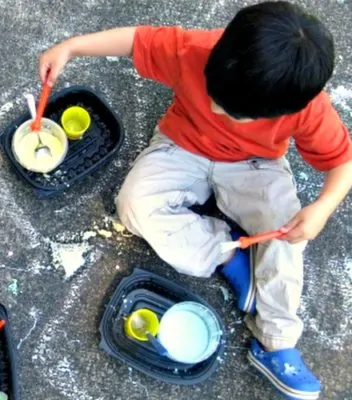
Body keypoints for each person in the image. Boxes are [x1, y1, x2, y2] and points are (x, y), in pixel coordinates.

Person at [39, 1, 352, 398]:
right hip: (182, 146)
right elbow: (134, 41)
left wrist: (321, 209)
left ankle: (277, 340)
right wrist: (72, 46)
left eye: (237, 113)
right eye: (216, 96)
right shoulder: (193, 49)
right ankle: (226, 255)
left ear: (286, 108)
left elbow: (343, 162)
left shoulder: (308, 109)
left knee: (290, 228)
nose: (219, 109)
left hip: (255, 165)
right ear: (218, 53)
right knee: (133, 205)